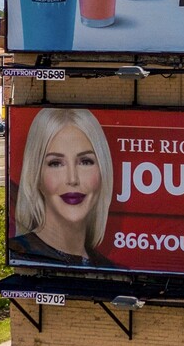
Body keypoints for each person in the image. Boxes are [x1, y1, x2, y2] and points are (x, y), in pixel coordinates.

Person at [9, 107, 117, 267]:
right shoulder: (18, 254)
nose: (72, 179)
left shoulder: (108, 267)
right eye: (56, 163)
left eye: (85, 162)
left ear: (103, 171)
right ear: (35, 175)